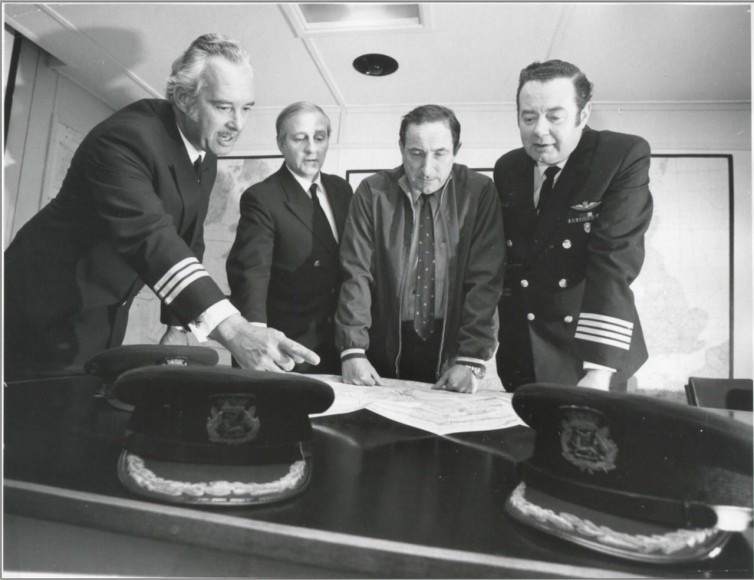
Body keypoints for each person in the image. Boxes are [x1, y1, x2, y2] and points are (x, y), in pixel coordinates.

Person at [4, 33, 318, 380]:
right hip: (36, 308)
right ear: (184, 98)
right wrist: (234, 330)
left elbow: (189, 237)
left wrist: (179, 324)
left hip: (101, 314)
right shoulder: (126, 138)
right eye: (224, 107)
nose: (238, 124)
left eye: (246, 108)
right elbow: (152, 239)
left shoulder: (205, 153)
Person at [494, 59, 653, 392]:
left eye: (555, 116)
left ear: (583, 114)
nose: (539, 130)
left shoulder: (620, 155)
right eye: (528, 117)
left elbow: (613, 261)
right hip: (523, 350)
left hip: (589, 351)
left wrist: (599, 370)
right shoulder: (508, 167)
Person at [335, 104, 505, 394]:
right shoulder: (372, 192)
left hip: (454, 344)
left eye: (440, 154)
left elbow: (485, 279)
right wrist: (353, 350)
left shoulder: (480, 192)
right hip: (383, 342)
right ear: (401, 148)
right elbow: (356, 274)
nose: (427, 169)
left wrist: (472, 357)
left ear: (457, 148)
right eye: (416, 154)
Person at [226, 102, 352, 374]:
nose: (312, 148)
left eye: (320, 137)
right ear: (281, 144)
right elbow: (251, 275)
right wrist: (256, 340)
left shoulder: (342, 190)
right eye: (300, 138)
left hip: (337, 348)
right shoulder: (262, 197)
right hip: (285, 353)